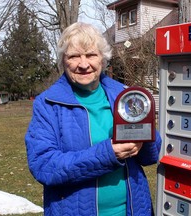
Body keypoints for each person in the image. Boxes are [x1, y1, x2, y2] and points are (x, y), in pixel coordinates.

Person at [25, 22, 162, 216]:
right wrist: (108, 154)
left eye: (90, 55)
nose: (83, 64)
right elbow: (44, 165)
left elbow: (150, 157)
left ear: (103, 59)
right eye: (74, 56)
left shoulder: (124, 95)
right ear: (64, 61)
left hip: (132, 210)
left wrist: (146, 135)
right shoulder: (47, 104)